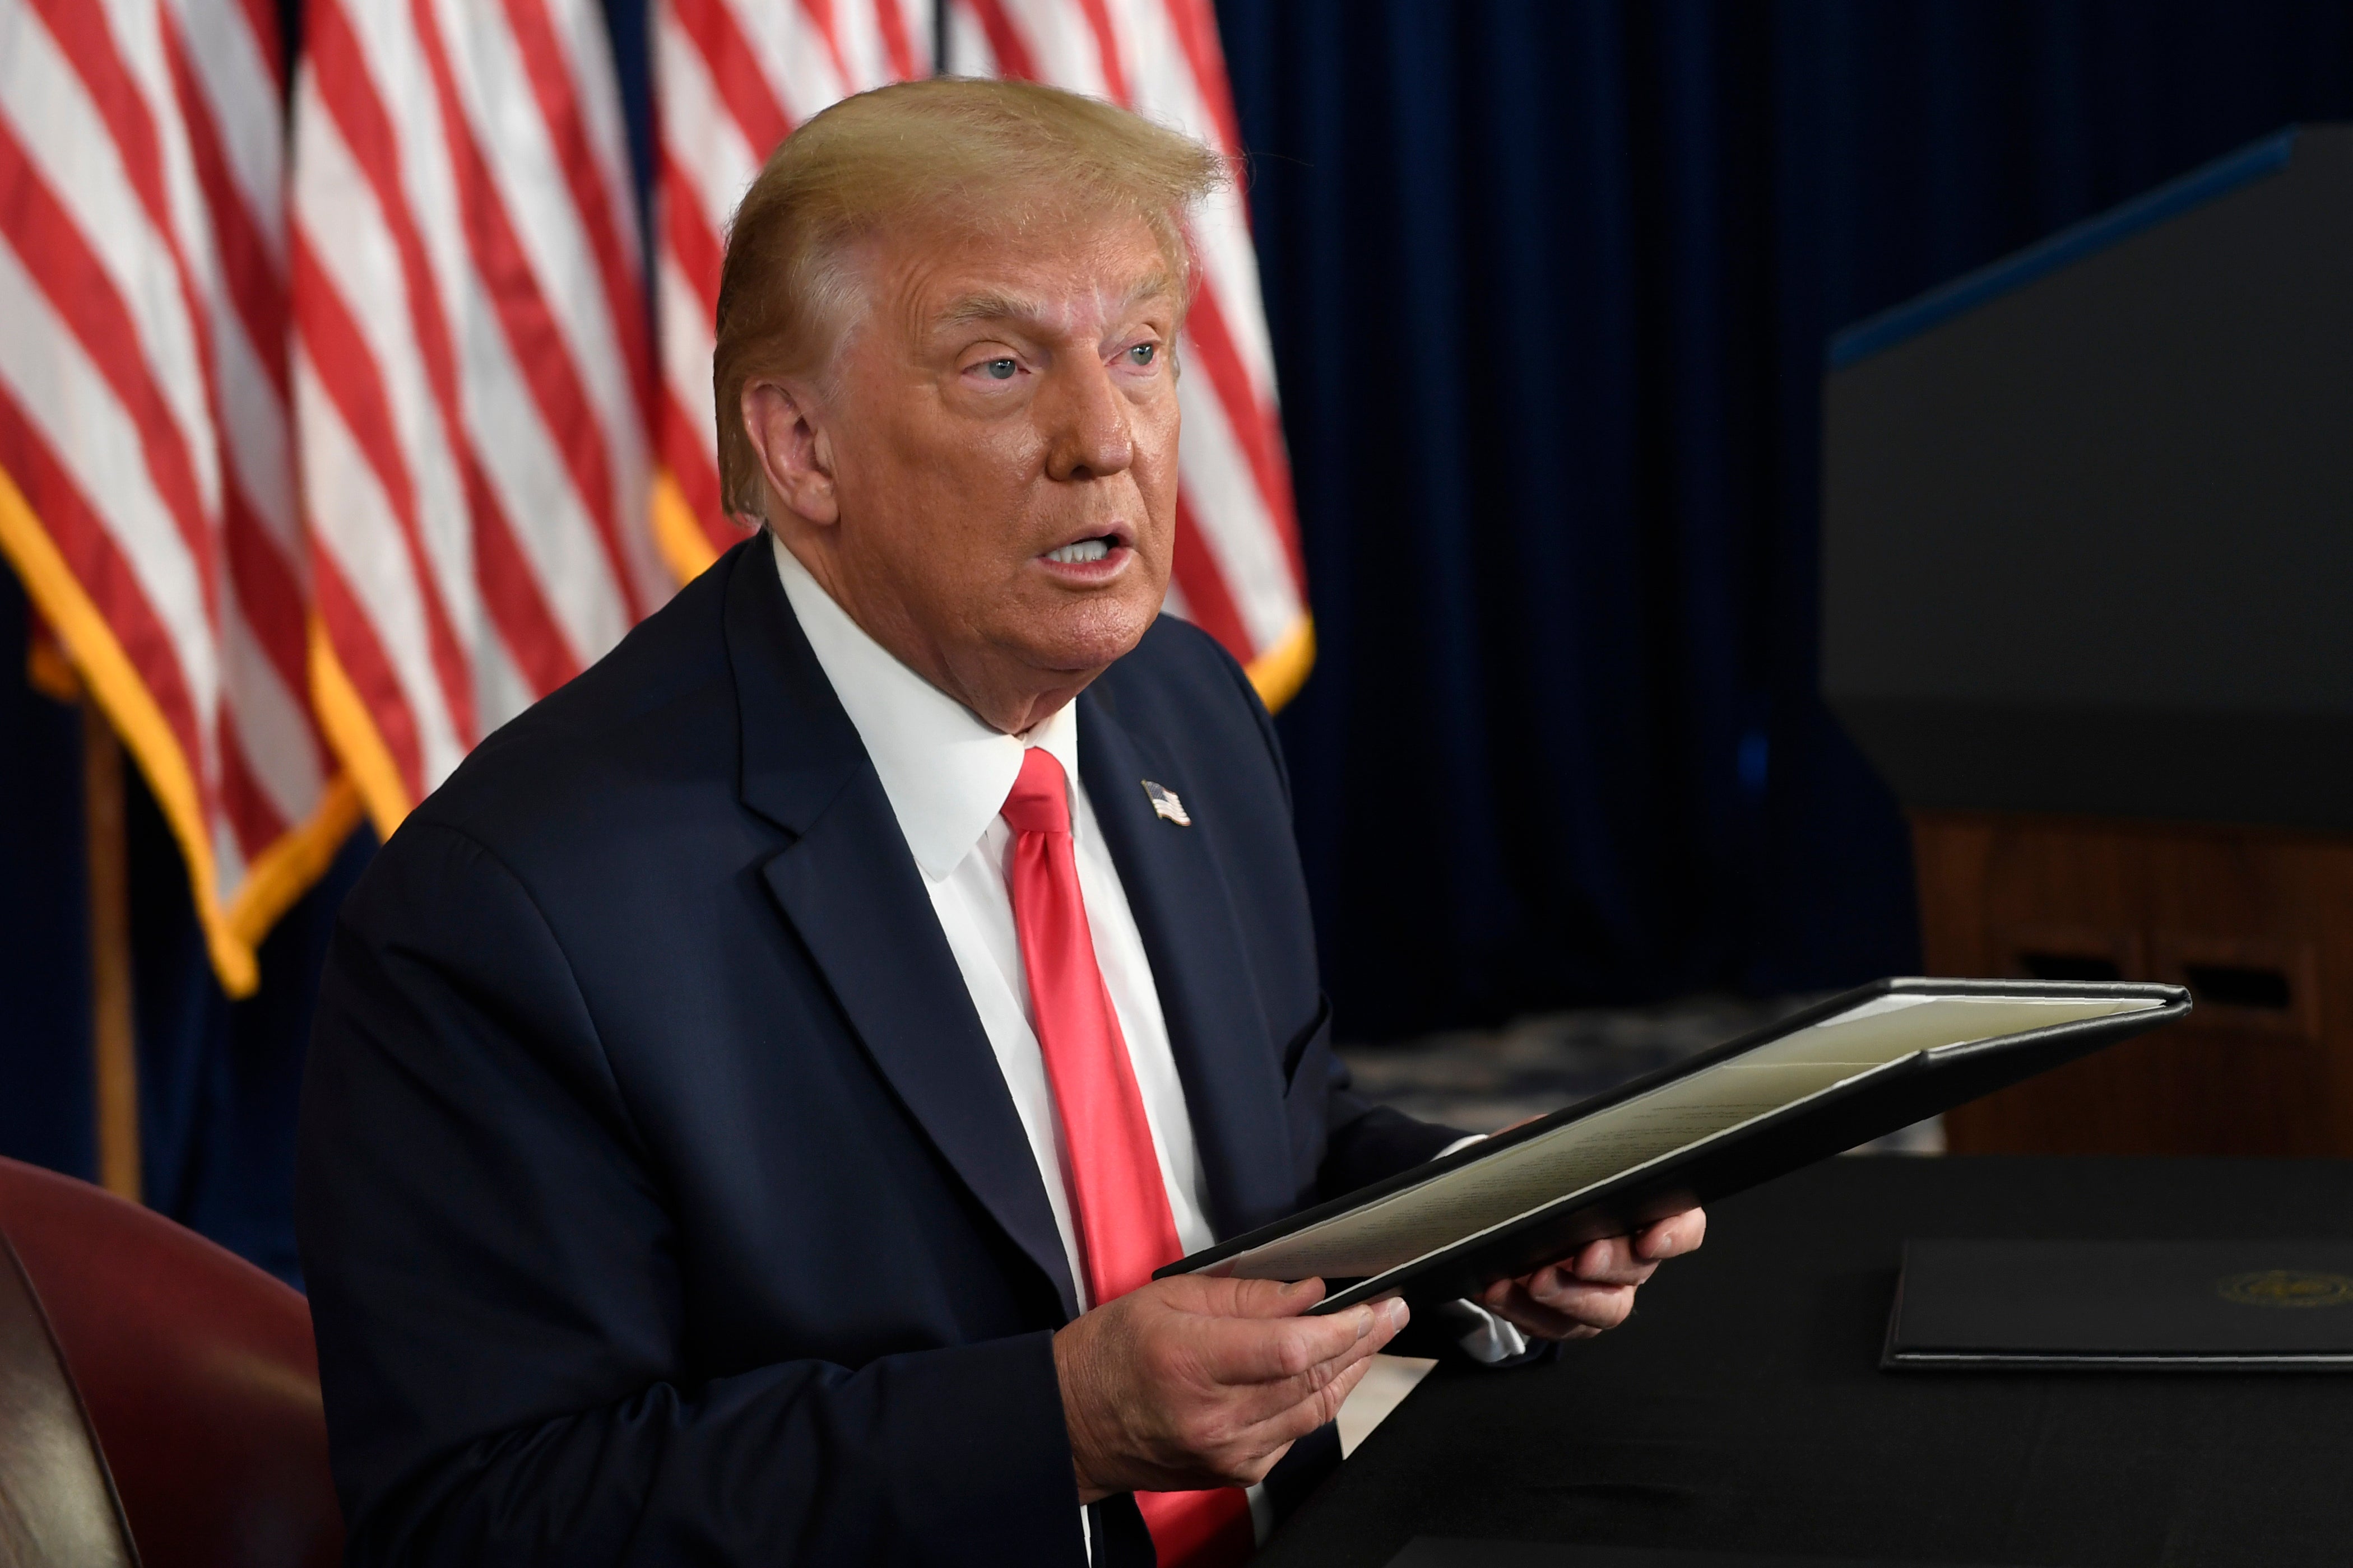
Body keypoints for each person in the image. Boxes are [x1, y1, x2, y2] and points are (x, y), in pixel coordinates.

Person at [296, 78, 1704, 1568]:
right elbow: (491, 1521)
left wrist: (1488, 1225)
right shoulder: (511, 914)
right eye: (997, 368)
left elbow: (1262, 1158)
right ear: (801, 447)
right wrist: (1059, 1424)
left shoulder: (1184, 712)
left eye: (1142, 351)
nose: (1107, 441)